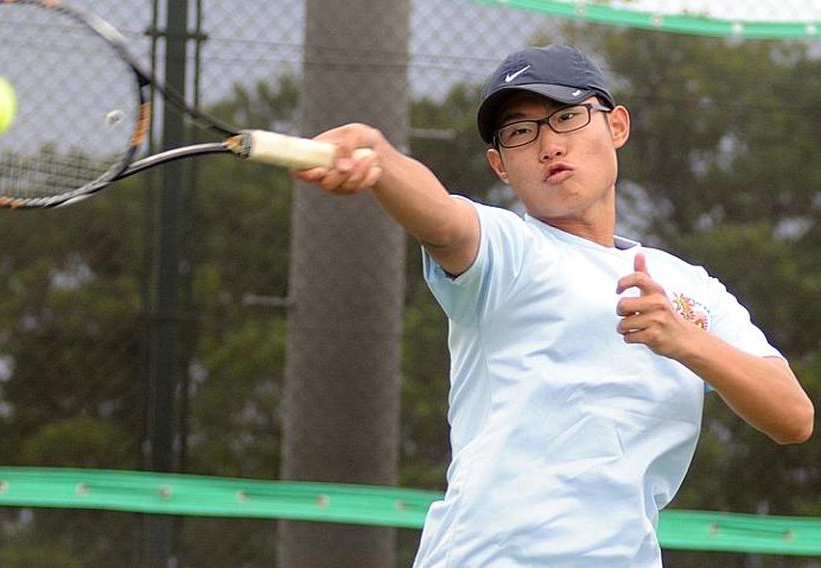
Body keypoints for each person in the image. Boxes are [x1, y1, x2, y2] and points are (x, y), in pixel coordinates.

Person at [294, 44, 814, 567]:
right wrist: (379, 157)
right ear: (499, 164)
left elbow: (793, 416)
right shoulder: (508, 251)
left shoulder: (690, 288)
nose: (548, 146)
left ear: (616, 126)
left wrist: (687, 341)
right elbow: (442, 219)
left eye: (566, 116)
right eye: (521, 132)